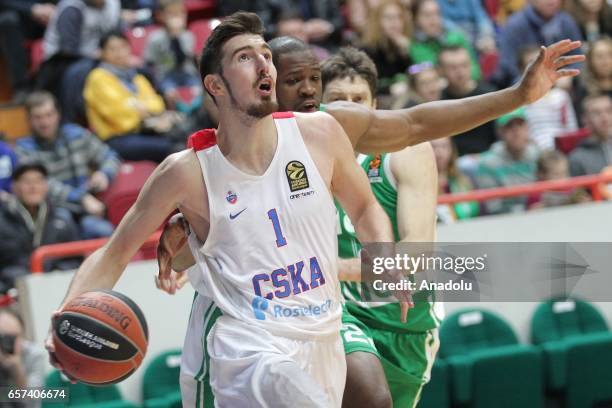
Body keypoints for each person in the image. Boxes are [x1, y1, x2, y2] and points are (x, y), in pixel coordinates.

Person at [157, 33, 583, 405]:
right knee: (367, 393)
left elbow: (418, 125)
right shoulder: (237, 151)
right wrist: (182, 240)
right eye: (295, 82)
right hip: (303, 314)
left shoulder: (334, 130)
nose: (310, 93)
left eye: (317, 83)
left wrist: (517, 96)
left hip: (396, 318)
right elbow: (192, 248)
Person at [47, 13, 408, 407]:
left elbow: (366, 208)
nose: (263, 64)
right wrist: (65, 316)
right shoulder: (185, 172)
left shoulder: (319, 133)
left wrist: (382, 253)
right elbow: (114, 252)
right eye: (244, 57)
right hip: (247, 348)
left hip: (322, 334)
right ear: (215, 85)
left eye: (265, 54)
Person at [321, 47, 439, 408]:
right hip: (335, 316)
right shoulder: (303, 154)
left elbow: (418, 250)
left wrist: (335, 270)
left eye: (358, 99)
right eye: (337, 99)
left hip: (401, 325)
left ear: (374, 106)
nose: (349, 109)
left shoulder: (405, 150)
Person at [16, 91, 118, 239]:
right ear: (29, 120)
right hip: (51, 212)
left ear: (58, 114)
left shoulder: (76, 134)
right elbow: (42, 185)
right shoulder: (23, 149)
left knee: (104, 231)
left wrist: (104, 173)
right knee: (64, 228)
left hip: (88, 208)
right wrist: (81, 198)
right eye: (38, 117)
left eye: (49, 115)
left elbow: (110, 156)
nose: (45, 122)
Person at [84, 31, 183, 162]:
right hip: (116, 139)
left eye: (123, 47)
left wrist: (137, 107)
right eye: (112, 49)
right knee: (172, 148)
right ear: (102, 53)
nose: (119, 53)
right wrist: (142, 110)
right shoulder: (97, 77)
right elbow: (119, 116)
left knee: (184, 135)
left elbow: (157, 105)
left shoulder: (136, 76)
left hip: (144, 131)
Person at [0, 163, 80, 293]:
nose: (33, 187)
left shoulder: (62, 218)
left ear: (46, 186)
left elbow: (76, 260)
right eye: (27, 182)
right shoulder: (2, 221)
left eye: (39, 181)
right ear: (13, 186)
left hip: (58, 290)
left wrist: (57, 275)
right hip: (14, 293)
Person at [36, 0, 121, 97]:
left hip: (98, 55)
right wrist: (98, 55)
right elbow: (68, 50)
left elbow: (116, 36)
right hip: (60, 62)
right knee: (84, 69)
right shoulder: (72, 8)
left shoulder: (113, 4)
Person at [475, 108, 540, 214]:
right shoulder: (488, 164)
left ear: (528, 128)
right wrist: (527, 210)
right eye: (510, 127)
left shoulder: (538, 155)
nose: (516, 132)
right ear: (500, 132)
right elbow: (493, 207)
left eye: (520, 125)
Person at [143, 0, 202, 114]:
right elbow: (149, 63)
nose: (177, 18)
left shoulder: (188, 36)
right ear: (161, 16)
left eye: (181, 13)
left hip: (187, 73)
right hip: (165, 75)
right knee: (169, 93)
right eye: (172, 14)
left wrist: (176, 38)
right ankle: (174, 115)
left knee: (199, 91)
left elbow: (184, 59)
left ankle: (194, 113)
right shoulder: (155, 38)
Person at [438, 46, 497, 155]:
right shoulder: (438, 99)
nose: (460, 72)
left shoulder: (489, 95)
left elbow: (498, 138)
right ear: (441, 70)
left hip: (486, 159)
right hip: (451, 162)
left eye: (464, 65)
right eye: (452, 68)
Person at [0, 308, 46, 408]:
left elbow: (34, 403)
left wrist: (17, 369)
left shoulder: (34, 355)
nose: (7, 343)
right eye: (3, 337)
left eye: (13, 337)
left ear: (23, 335)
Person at [431, 136, 480, 222]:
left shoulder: (464, 181)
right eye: (433, 147)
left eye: (444, 146)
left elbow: (478, 211)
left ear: (452, 150)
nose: (439, 153)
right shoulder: (421, 186)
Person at [569, 94, 612, 176]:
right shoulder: (578, 158)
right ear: (585, 119)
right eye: (596, 113)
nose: (605, 118)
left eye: (609, 111)